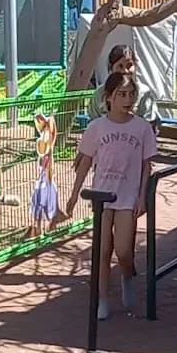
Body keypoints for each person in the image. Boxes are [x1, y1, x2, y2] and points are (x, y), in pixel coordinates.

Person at [65, 71, 156, 319]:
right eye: (121, 94)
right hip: (101, 196)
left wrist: (141, 197)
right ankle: (102, 299)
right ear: (108, 98)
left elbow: (147, 165)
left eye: (131, 94)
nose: (127, 100)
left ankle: (128, 274)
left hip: (128, 197)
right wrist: (74, 195)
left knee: (124, 250)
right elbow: (85, 162)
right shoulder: (97, 127)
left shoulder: (142, 128)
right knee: (102, 250)